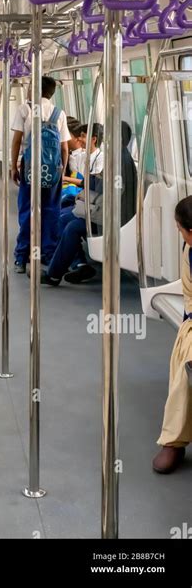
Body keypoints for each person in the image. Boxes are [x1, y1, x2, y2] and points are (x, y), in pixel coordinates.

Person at [41, 121, 135, 286]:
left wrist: (90, 182)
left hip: (111, 216)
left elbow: (108, 189)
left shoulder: (121, 162)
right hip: (107, 210)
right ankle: (75, 265)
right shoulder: (119, 157)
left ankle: (54, 274)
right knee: (65, 220)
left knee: (71, 226)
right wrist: (91, 180)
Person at [11, 76, 70, 273]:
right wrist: (61, 170)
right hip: (53, 171)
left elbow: (17, 141)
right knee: (51, 211)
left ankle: (22, 256)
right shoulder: (59, 113)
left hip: (29, 168)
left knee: (28, 210)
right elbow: (64, 148)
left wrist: (14, 167)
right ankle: (49, 254)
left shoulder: (25, 110)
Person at [153, 196, 192, 474]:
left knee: (183, 372)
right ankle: (174, 440)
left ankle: (174, 442)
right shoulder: (189, 249)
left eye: (179, 229)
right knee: (182, 365)